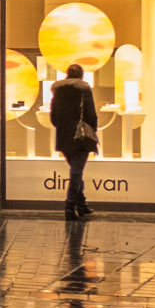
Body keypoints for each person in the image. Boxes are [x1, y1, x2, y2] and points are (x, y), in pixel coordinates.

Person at [48, 63, 99, 220]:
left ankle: (81, 204)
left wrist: (63, 128)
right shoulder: (84, 91)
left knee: (76, 170)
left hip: (64, 136)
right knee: (76, 171)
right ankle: (70, 206)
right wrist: (93, 131)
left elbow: (53, 116)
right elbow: (91, 114)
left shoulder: (58, 92)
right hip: (80, 137)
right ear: (81, 75)